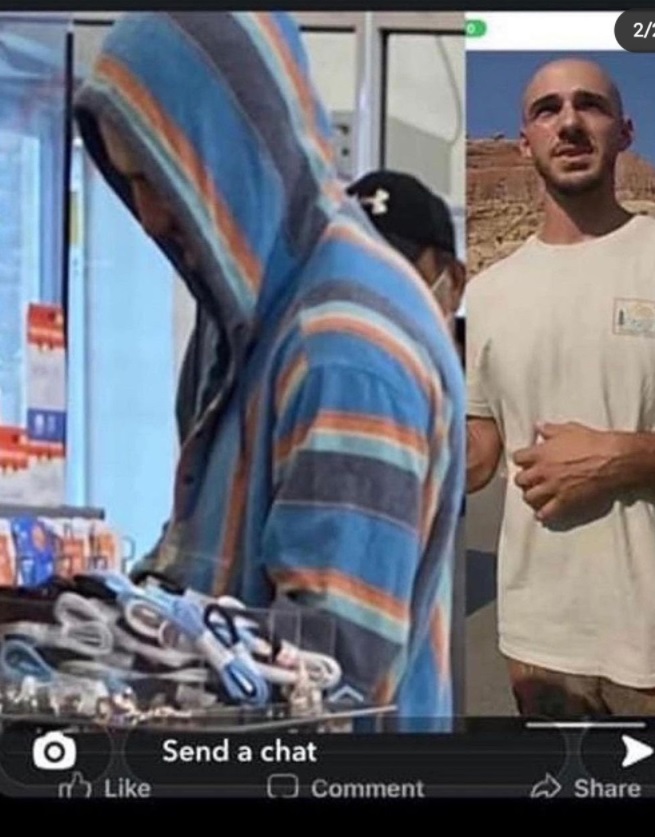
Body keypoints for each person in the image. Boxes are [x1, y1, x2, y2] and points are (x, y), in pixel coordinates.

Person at [73, 11, 465, 730]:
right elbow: (206, 567)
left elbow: (329, 675)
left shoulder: (342, 344)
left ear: (237, 147)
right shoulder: (256, 314)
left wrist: (124, 663)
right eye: (133, 181)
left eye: (165, 174)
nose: (150, 213)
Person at [466, 56, 655, 717]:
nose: (568, 123)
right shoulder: (486, 293)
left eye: (589, 106)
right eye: (547, 110)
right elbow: (483, 437)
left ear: (624, 132)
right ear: (524, 142)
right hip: (539, 640)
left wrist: (624, 457)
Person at [347, 170, 466, 349]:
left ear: (455, 282)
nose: (375, 303)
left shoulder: (498, 367)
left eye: (398, 280)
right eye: (351, 283)